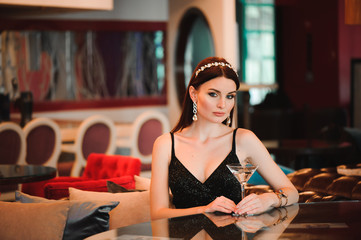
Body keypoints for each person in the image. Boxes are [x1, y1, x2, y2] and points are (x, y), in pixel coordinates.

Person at [150, 56, 298, 220]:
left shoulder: (243, 139)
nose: (222, 105)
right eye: (213, 94)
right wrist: (204, 209)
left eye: (230, 96)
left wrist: (268, 199)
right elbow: (158, 213)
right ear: (193, 94)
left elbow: (291, 192)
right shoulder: (165, 144)